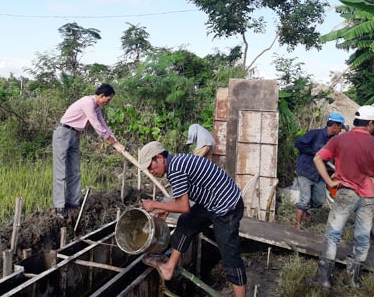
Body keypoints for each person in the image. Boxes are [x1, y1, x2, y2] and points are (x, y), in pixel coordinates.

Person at [310, 105, 374, 289]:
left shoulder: (340, 140)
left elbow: (317, 158)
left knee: (332, 235)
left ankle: (323, 279)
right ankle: (353, 280)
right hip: (368, 196)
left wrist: (330, 183)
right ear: (370, 123)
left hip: (346, 193)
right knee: (362, 237)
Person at [138, 141, 247, 297]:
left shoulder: (175, 169)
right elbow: (182, 202)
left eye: (150, 166)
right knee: (186, 222)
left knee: (230, 255)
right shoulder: (176, 163)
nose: (150, 171)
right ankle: (169, 268)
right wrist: (165, 208)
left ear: (160, 158)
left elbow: (184, 206)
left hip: (227, 207)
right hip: (212, 202)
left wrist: (155, 204)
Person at [52, 84, 124, 218]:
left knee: (75, 171)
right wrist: (111, 142)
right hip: (63, 133)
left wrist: (116, 142)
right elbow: (96, 125)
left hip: (75, 135)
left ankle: (73, 202)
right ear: (101, 96)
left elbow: (103, 125)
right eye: (107, 100)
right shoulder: (88, 102)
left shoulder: (96, 107)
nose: (107, 103)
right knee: (61, 171)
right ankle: (60, 206)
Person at [293, 113, 345, 230]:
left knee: (319, 201)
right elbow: (298, 143)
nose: (341, 130)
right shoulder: (314, 134)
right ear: (335, 126)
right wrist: (315, 153)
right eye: (341, 127)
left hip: (320, 174)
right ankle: (297, 226)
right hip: (306, 170)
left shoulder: (334, 141)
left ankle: (304, 210)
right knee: (305, 198)